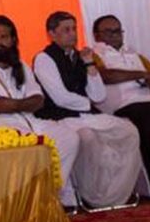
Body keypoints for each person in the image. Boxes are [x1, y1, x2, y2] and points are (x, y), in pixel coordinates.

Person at [0, 16, 81, 207]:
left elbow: (39, 101)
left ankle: (51, 195)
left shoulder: (21, 65)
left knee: (68, 138)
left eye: (3, 37)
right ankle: (32, 202)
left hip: (30, 121)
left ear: (13, 40)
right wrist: (24, 103)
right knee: (30, 144)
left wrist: (15, 104)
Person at [33, 11, 141, 207]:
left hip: (85, 115)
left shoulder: (80, 57)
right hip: (60, 118)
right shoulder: (44, 58)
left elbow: (99, 95)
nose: (72, 34)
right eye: (66, 30)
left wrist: (90, 64)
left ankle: (113, 193)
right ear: (52, 34)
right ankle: (90, 195)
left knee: (129, 131)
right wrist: (87, 103)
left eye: (74, 29)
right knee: (88, 137)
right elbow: (60, 98)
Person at [92, 14, 150, 195]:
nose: (114, 35)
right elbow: (106, 76)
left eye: (118, 31)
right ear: (97, 35)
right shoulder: (94, 54)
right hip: (122, 105)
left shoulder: (133, 54)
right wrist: (142, 75)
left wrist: (148, 76)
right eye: (109, 31)